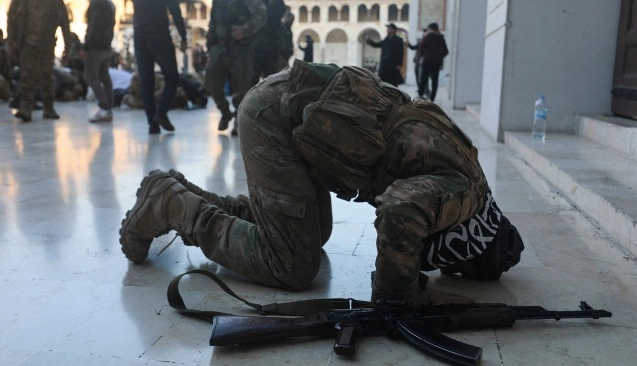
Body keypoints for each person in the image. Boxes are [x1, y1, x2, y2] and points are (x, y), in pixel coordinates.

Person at [119, 61, 525, 307]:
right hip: (277, 120)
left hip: (297, 114)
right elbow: (401, 209)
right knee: (293, 264)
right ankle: (171, 205)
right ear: (473, 247)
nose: (450, 271)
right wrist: (399, 296)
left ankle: (186, 196)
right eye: (461, 267)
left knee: (313, 233)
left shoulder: (470, 175)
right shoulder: (463, 196)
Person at [204, 0, 266, 136]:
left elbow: (261, 14)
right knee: (212, 84)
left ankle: (239, 120)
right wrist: (209, 44)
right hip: (219, 46)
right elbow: (213, 20)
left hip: (241, 47)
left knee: (241, 87)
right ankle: (225, 113)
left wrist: (245, 30)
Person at [6, 0, 71, 122]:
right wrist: (12, 40)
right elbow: (11, 18)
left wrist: (68, 47)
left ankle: (49, 108)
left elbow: (65, 23)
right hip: (27, 44)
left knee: (47, 76)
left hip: (47, 44)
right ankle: (25, 108)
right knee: (27, 75)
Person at [132, 0, 187, 134]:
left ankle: (152, 124)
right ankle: (161, 113)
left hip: (139, 37)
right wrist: (183, 37)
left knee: (146, 81)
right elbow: (175, 10)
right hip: (159, 36)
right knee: (172, 78)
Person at [82, 0, 116, 123]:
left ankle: (104, 107)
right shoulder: (110, 5)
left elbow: (94, 26)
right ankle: (108, 109)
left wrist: (86, 46)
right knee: (104, 76)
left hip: (95, 47)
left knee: (90, 76)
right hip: (106, 46)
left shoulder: (97, 5)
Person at [250, 0, 287, 85]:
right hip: (255, 48)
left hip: (271, 47)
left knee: (271, 80)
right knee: (253, 79)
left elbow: (280, 11)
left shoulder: (276, 5)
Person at [418, 22, 449, 102]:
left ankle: (420, 96)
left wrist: (422, 55)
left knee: (423, 80)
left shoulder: (428, 36)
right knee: (434, 81)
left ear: (430, 28)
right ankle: (432, 98)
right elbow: (446, 51)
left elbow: (421, 48)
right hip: (436, 63)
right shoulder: (440, 37)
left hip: (427, 62)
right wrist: (439, 57)